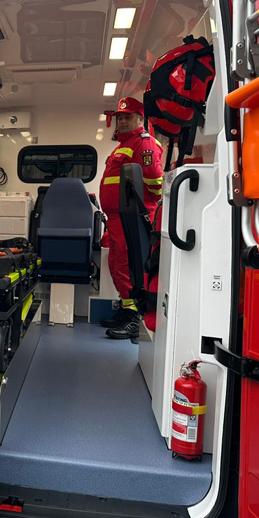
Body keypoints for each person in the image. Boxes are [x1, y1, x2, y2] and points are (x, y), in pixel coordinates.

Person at [98, 97, 163, 341]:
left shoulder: (144, 143)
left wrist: (147, 206)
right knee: (117, 264)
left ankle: (136, 317)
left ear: (139, 119)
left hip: (132, 217)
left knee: (128, 265)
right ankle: (126, 311)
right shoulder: (123, 145)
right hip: (117, 218)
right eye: (120, 118)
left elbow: (154, 179)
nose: (123, 121)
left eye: (128, 117)